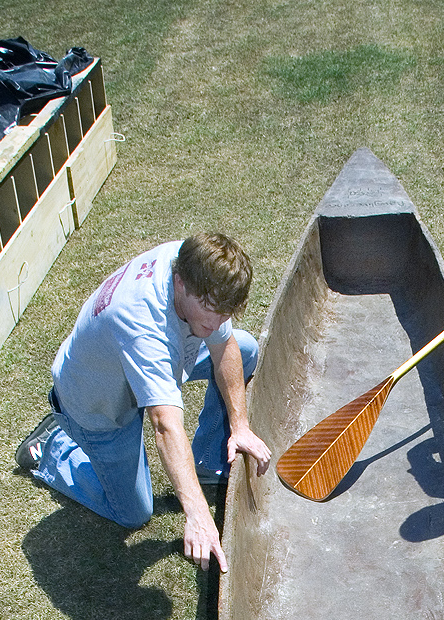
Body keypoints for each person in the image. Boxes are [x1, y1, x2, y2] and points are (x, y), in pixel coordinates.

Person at [15, 232, 271, 571]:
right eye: (211, 312)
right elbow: (165, 424)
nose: (218, 323)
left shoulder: (197, 267)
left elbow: (225, 348)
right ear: (180, 284)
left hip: (140, 365)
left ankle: (209, 463)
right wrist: (197, 514)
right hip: (98, 403)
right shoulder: (143, 324)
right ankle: (51, 448)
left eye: (224, 314)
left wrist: (239, 427)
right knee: (133, 513)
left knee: (246, 348)